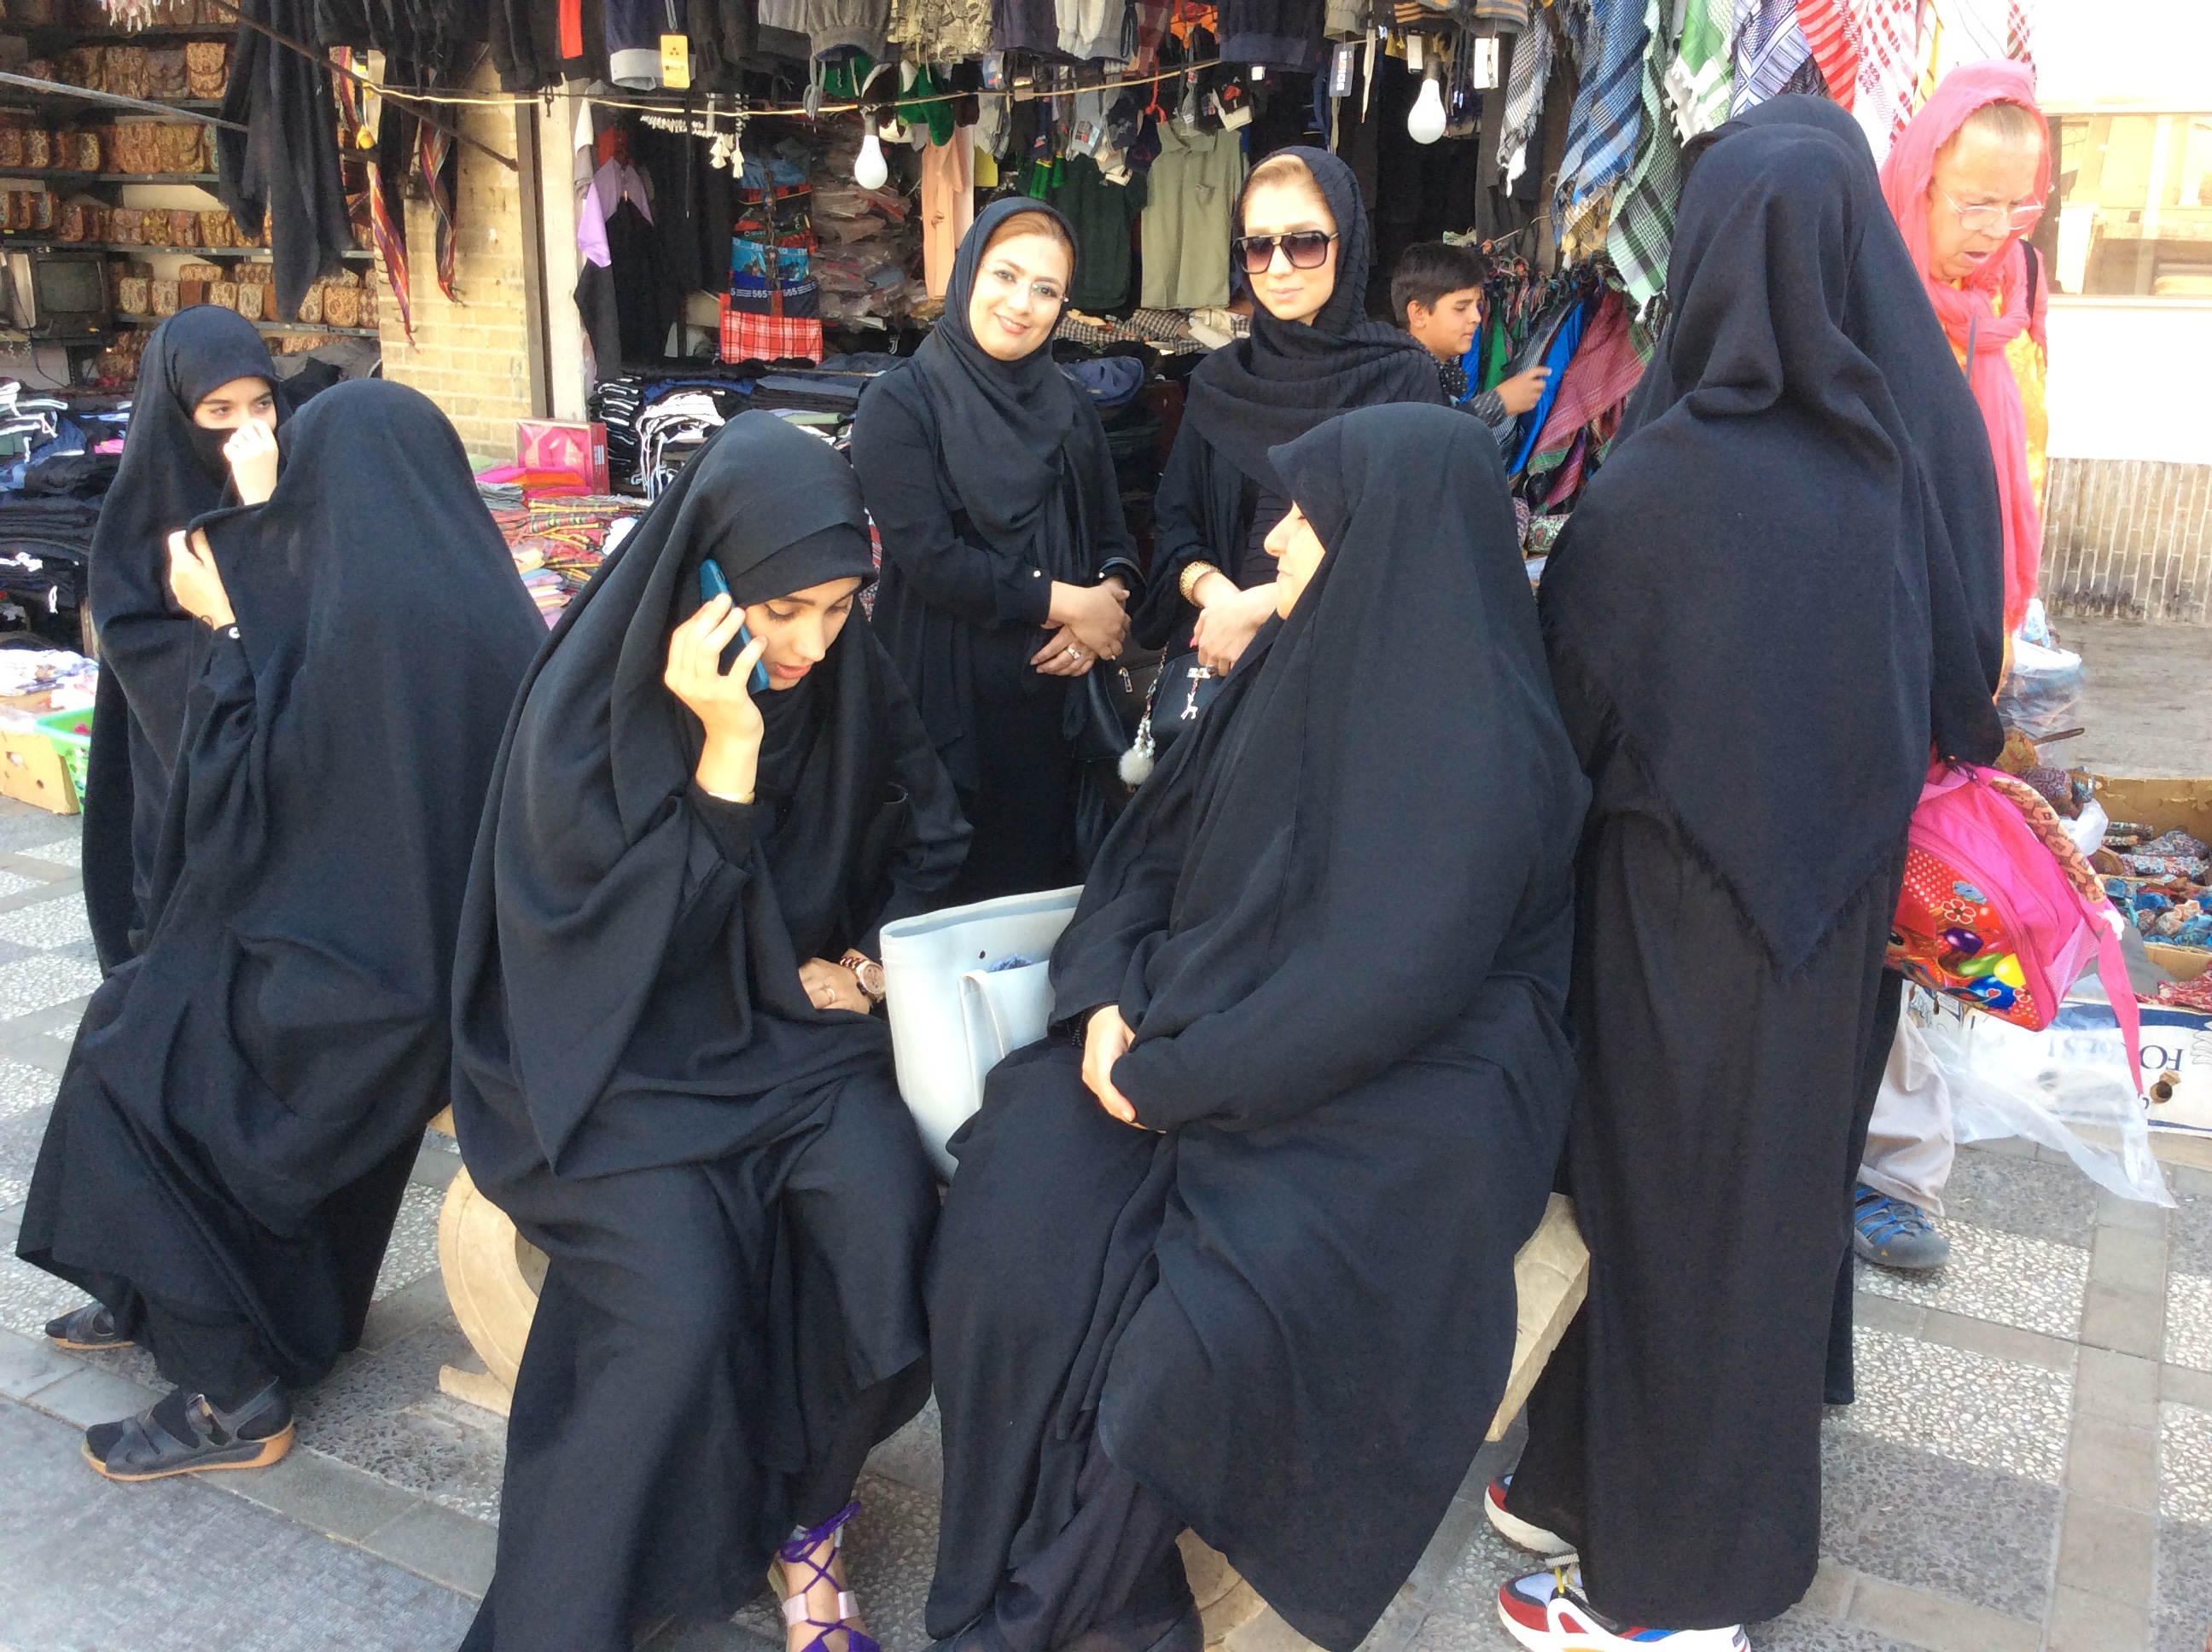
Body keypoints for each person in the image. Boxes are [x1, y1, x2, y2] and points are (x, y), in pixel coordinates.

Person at [927, 402, 1587, 1652]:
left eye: (1309, 511)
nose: (1279, 534)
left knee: (1206, 1334)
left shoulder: (1487, 740)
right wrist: (1111, 1000)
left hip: (1401, 1091)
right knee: (1017, 1209)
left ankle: (1030, 1621)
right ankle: (1080, 1598)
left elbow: (1381, 985)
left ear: (1386, 535)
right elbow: (1144, 861)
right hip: (1193, 1033)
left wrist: (1178, 1076)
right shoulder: (1284, 672)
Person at [1489, 98, 2005, 1652]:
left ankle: (1671, 1596)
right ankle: (1597, 1478)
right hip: (1837, 928)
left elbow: (1562, 723)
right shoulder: (1902, 466)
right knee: (1766, 1223)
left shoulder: (1658, 486)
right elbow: (1964, 697)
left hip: (1664, 927)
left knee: (1659, 1217)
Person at [449, 411, 969, 1652]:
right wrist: (726, 764)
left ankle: (809, 1518)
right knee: (671, 1309)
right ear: (709, 567)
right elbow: (616, 954)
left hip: (789, 1041)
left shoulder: (849, 669)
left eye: (840, 608)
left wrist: (870, 959)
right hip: (616, 1060)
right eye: (782, 608)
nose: (807, 643)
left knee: (893, 1231)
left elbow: (935, 826)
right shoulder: (587, 713)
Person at [19, 379, 542, 1479]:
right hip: (440, 972)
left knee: (132, 1056)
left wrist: (229, 624)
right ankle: (166, 1299)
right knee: (153, 1006)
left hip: (360, 993)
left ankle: (232, 1393)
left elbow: (236, 802)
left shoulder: (357, 614)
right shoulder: (483, 601)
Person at [1852, 61, 2052, 1272]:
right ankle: (1860, 1155)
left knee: (1933, 922)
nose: (1994, 235)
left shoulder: (2003, 327)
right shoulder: (1862, 314)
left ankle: (1897, 1174)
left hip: (1963, 668)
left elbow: (2016, 502)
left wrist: (1992, 658)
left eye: (2017, 211)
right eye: (1973, 204)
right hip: (1875, 658)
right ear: (1916, 186)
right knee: (1882, 916)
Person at [852, 197, 1139, 901]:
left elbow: (1114, 532)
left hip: (1052, 715)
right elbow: (932, 561)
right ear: (968, 272)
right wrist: (1071, 604)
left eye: (1046, 290)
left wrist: (1107, 600)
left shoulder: (1069, 404)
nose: (1022, 303)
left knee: (1039, 908)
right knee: (936, 899)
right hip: (938, 706)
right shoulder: (900, 405)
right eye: (1005, 276)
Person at [1134, 147, 1442, 675]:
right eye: (1257, 247)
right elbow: (1177, 525)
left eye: (1304, 242)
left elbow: (1409, 541)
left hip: (1352, 667)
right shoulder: (1220, 383)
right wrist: (1221, 600)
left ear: (1347, 243)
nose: (1277, 268)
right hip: (1226, 663)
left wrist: (1260, 610)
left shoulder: (1400, 376)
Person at [80, 305, 288, 972]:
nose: (248, 431)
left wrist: (270, 508)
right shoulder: (135, 534)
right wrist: (252, 527)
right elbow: (173, 691)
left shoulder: (296, 486)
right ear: (177, 415)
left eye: (262, 405)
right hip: (188, 786)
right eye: (219, 412)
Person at [1390, 240, 1551, 446]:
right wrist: (1497, 404)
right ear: (1419, 313)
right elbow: (1424, 444)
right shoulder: (1406, 373)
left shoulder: (1427, 367)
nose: (1476, 317)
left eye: (1477, 306)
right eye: (1460, 308)